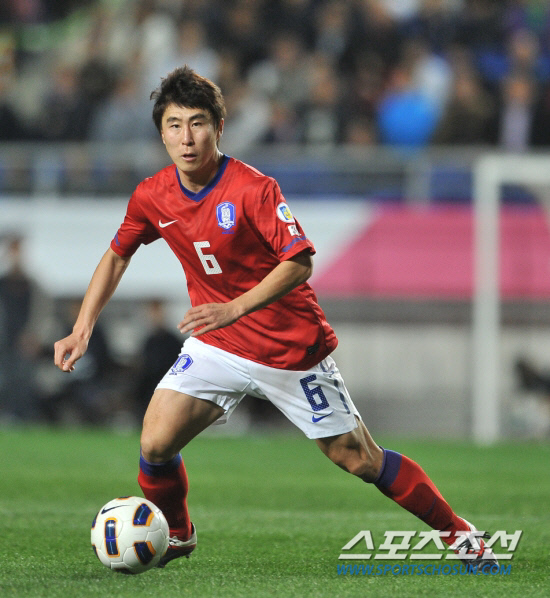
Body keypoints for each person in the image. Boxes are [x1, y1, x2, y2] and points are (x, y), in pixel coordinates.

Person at [54, 65, 497, 570]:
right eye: (175, 125)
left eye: (198, 123)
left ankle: (460, 534)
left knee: (358, 458)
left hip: (288, 348)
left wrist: (234, 307)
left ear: (219, 128)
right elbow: (117, 255)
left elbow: (299, 262)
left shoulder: (253, 188)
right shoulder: (152, 195)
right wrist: (82, 328)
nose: (187, 138)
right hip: (218, 343)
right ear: (161, 133)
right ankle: (178, 534)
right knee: (155, 441)